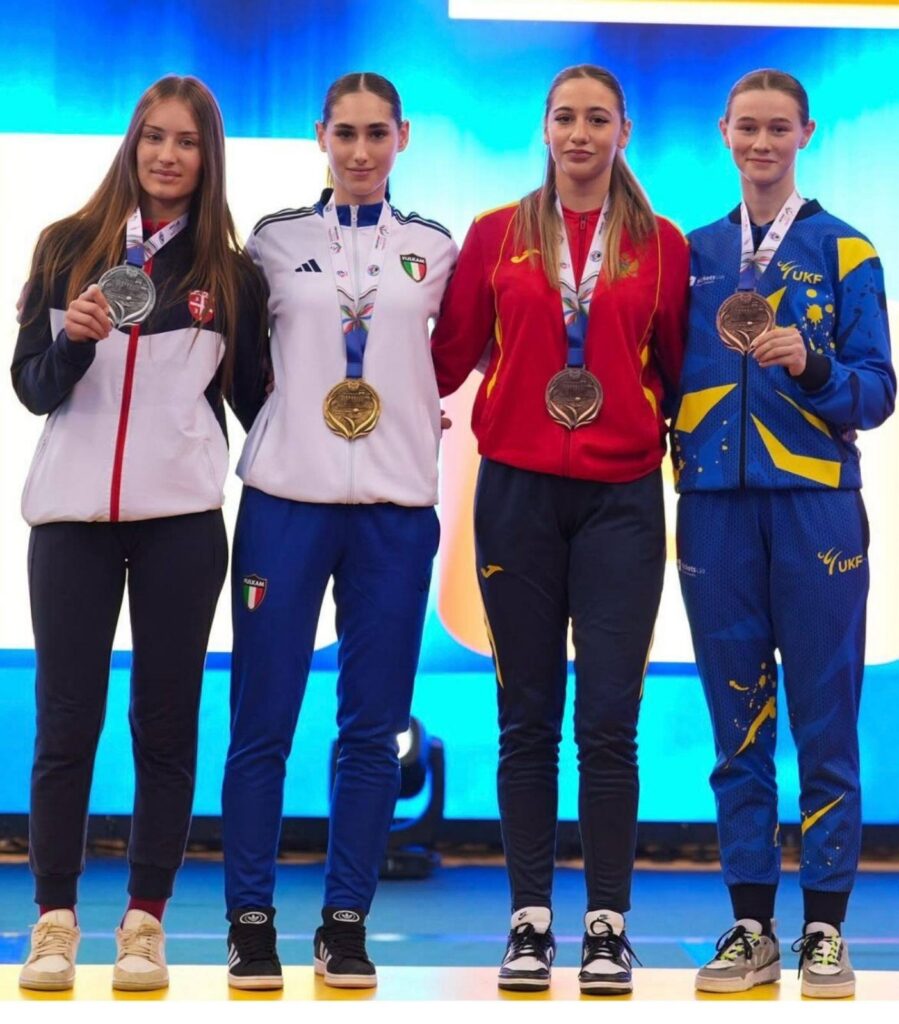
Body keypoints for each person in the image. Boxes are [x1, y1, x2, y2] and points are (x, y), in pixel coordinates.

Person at [430, 64, 688, 996]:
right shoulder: (494, 235)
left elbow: (680, 368)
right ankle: (530, 922)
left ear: (623, 131)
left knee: (609, 722)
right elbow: (446, 357)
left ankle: (608, 927)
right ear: (543, 128)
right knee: (526, 718)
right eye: (565, 118)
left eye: (597, 119)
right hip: (516, 496)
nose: (580, 134)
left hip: (622, 500)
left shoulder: (661, 245)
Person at [12, 74, 267, 993]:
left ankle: (145, 923)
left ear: (207, 157)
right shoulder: (66, 247)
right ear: (132, 143)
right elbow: (32, 388)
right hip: (70, 524)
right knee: (65, 722)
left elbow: (261, 407)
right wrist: (73, 340)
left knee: (164, 725)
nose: (167, 155)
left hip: (181, 528)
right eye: (154, 136)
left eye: (186, 141)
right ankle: (53, 921)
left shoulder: (229, 277)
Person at [220, 71, 457, 991]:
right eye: (345, 134)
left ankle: (345, 921)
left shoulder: (434, 247)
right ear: (320, 134)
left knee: (372, 728)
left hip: (394, 514)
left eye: (376, 134)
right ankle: (250, 922)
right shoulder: (272, 242)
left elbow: (452, 357)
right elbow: (241, 366)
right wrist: (290, 438)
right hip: (285, 506)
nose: (360, 152)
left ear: (403, 137)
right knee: (261, 721)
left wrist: (414, 418)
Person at [672, 68, 894, 999]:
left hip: (813, 507)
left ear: (805, 133)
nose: (760, 144)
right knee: (737, 725)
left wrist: (812, 366)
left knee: (824, 719)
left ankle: (826, 930)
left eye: (777, 128)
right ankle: (750, 927)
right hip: (712, 509)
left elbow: (877, 392)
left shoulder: (846, 249)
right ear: (723, 132)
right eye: (746, 128)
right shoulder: (688, 253)